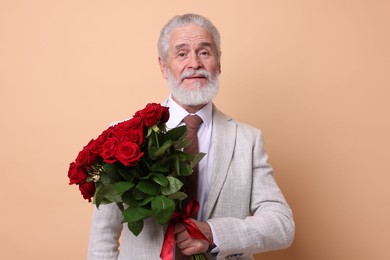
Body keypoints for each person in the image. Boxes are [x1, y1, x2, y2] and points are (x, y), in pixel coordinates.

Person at [87, 13, 295, 260]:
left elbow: (282, 225)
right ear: (164, 66)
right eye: (182, 53)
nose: (194, 63)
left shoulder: (247, 140)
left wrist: (215, 234)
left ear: (218, 62)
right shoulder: (123, 137)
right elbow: (103, 238)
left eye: (205, 52)